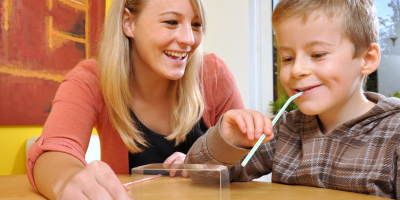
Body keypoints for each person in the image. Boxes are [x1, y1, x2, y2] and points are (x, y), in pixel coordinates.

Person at [26, 0, 244, 199]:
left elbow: (248, 160)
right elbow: (53, 152)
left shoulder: (213, 74)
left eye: (196, 24)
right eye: (171, 21)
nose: (189, 39)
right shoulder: (92, 80)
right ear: (128, 23)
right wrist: (67, 181)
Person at [185, 0, 400, 198]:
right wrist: (226, 140)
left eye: (317, 54)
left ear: (367, 59)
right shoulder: (282, 131)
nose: (296, 70)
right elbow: (199, 175)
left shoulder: (395, 134)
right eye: (287, 58)